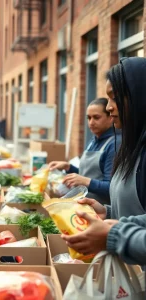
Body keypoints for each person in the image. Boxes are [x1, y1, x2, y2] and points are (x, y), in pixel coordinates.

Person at [62, 57, 146, 262]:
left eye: (115, 98)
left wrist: (113, 235)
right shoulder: (130, 146)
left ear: (139, 97)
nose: (109, 107)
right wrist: (107, 213)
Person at [49, 98, 121, 204]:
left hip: (101, 211)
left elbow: (112, 189)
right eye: (89, 118)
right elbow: (88, 174)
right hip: (84, 206)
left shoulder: (114, 144)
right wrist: (68, 167)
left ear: (110, 118)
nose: (91, 122)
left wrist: (86, 181)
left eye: (96, 117)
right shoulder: (94, 140)